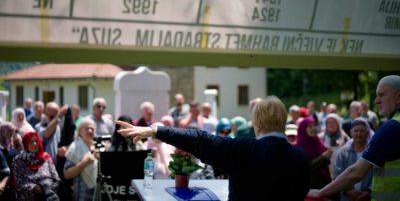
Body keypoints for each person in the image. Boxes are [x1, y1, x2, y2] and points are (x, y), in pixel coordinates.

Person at [118, 96, 310, 200]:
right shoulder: (301, 157)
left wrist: (155, 130)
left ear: (256, 124)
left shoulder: (244, 150)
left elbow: (199, 139)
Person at [308, 75, 400, 200]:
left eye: (382, 95)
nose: (376, 100)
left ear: (398, 97)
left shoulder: (392, 127)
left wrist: (320, 193)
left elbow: (357, 172)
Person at [12, 132, 60, 200]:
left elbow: (56, 178)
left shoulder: (46, 157)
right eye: (31, 142)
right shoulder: (19, 160)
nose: (34, 144)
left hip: (49, 191)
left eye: (36, 141)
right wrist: (34, 188)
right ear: (26, 144)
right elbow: (19, 183)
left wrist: (47, 187)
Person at [333, 118, 373, 201]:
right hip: (346, 197)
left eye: (362, 131)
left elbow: (378, 174)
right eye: (356, 131)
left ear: (367, 132)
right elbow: (337, 175)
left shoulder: (372, 152)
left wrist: (368, 191)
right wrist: (347, 191)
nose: (359, 134)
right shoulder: (343, 152)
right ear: (351, 132)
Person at [64, 118, 98, 201]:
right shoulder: (74, 149)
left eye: (92, 129)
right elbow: (67, 174)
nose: (90, 131)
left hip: (98, 193)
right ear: (79, 132)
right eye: (87, 128)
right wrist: (85, 162)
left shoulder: (99, 147)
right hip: (81, 196)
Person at [296, 117, 332, 190]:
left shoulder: (318, 141)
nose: (313, 128)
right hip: (310, 186)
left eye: (314, 125)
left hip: (325, 183)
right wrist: (323, 157)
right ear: (303, 129)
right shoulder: (299, 147)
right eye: (309, 126)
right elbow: (305, 168)